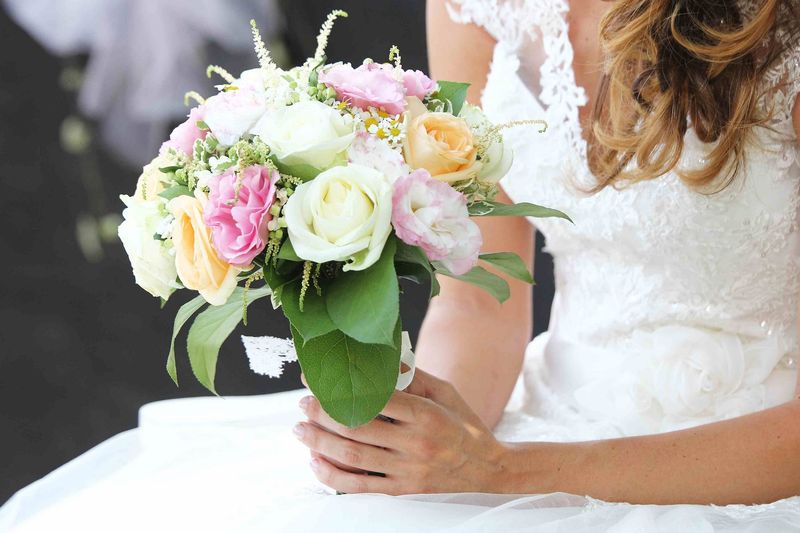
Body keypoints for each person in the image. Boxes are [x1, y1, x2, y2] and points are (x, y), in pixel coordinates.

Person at [2, 0, 800, 531]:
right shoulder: (474, 6)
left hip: (755, 465)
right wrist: (413, 433)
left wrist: (509, 470)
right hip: (549, 419)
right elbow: (481, 302)